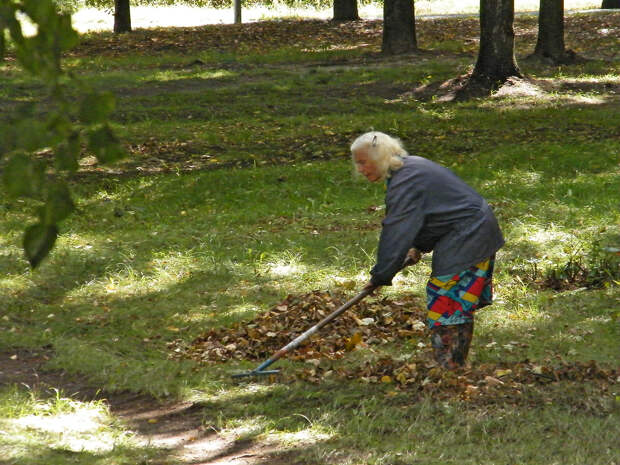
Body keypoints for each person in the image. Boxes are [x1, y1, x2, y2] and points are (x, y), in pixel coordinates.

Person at [351, 131, 504, 369]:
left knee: (447, 298)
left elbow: (396, 231)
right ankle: (454, 365)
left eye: (362, 162)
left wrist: (381, 275)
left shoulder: (405, 180)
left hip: (469, 234)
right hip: (472, 230)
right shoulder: (410, 169)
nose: (359, 169)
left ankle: (449, 369)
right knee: (452, 299)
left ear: (380, 158)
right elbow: (433, 213)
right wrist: (417, 247)